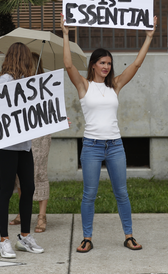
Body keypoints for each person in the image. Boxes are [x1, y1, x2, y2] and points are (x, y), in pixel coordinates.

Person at [62, 13, 158, 253]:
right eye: (102, 63)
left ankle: (129, 236)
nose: (106, 67)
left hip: (115, 146)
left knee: (121, 192)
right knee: (89, 194)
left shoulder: (115, 85)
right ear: (93, 64)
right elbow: (67, 65)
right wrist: (65, 33)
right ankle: (87, 237)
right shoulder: (84, 85)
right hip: (92, 147)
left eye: (109, 63)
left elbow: (136, 64)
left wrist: (148, 37)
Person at [0, 43, 45, 258]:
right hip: (7, 147)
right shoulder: (5, 81)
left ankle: (24, 236)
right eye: (27, 59)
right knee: (6, 190)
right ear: (22, 59)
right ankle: (3, 240)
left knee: (28, 188)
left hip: (23, 145)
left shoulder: (29, 83)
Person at [8, 53, 52, 233]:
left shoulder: (45, 85)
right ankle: (22, 212)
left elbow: (52, 107)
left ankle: (42, 215)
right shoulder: (15, 84)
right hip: (21, 133)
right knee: (20, 173)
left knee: (39, 171)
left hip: (40, 133)